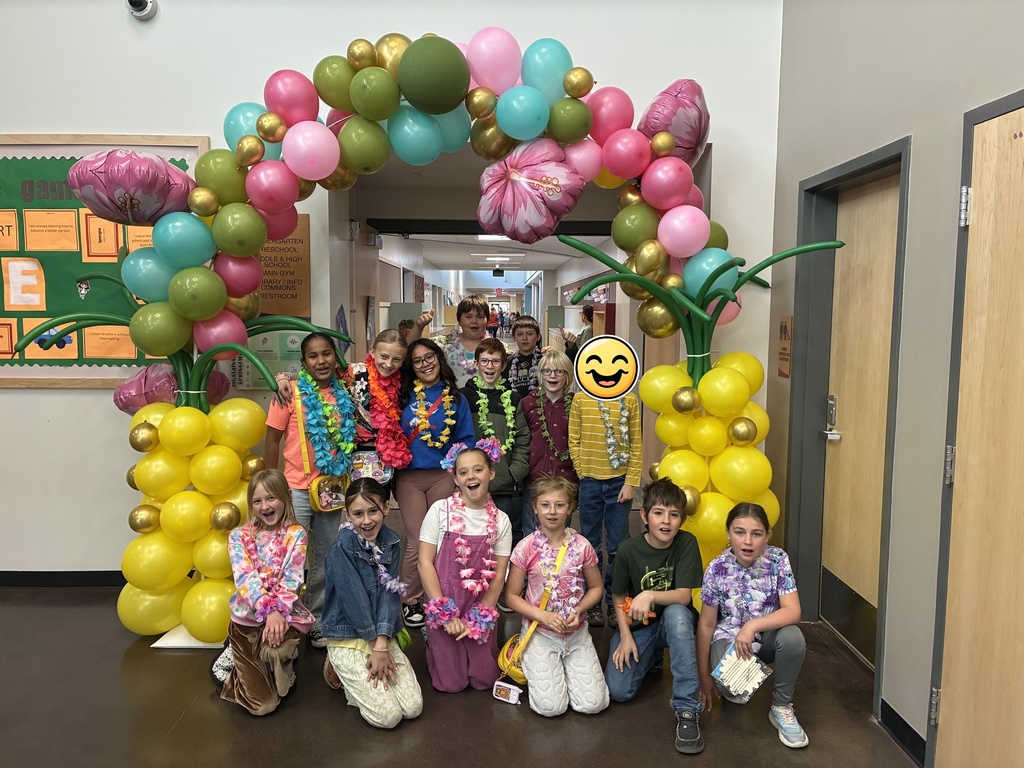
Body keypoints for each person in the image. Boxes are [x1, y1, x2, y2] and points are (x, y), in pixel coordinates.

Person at [265, 332, 356, 649]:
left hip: (332, 489)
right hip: (296, 488)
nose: (321, 361)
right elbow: (272, 441)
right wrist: (271, 484)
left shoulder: (344, 392)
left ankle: (317, 620)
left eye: (327, 354)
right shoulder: (288, 394)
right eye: (313, 356)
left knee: (325, 558)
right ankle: (282, 618)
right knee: (289, 557)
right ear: (303, 362)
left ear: (335, 357)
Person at [604, 478, 704, 754]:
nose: (666, 521)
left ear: (682, 520)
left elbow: (684, 595)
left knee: (676, 614)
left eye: (674, 515)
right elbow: (618, 596)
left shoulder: (686, 543)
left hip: (676, 622)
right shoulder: (627, 550)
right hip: (641, 627)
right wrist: (625, 637)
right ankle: (652, 658)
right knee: (618, 691)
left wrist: (648, 594)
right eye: (659, 513)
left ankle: (687, 709)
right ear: (645, 515)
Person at [696, 503, 808, 749]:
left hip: (767, 637)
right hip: (730, 639)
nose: (747, 541)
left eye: (756, 534)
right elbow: (706, 624)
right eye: (739, 532)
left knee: (793, 637)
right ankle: (746, 675)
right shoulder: (716, 568)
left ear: (767, 535)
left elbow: (793, 610)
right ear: (728, 533)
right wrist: (704, 675)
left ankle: (780, 706)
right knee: (733, 692)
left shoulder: (779, 559)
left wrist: (753, 626)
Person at [321, 478, 424, 729]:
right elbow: (353, 601)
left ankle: (365, 676)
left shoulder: (392, 542)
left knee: (413, 708)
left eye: (373, 511)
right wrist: (375, 648)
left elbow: (390, 594)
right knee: (388, 718)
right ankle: (337, 665)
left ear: (386, 509)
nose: (366, 521)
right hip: (348, 632)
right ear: (348, 514)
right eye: (358, 514)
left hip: (380, 636)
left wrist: (382, 644)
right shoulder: (342, 547)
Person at [504, 476, 609, 718]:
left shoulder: (582, 546)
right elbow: (511, 596)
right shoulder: (525, 548)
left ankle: (565, 671)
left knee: (593, 704)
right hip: (540, 632)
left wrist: (579, 609)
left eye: (560, 505)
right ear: (535, 508)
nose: (552, 512)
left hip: (576, 633)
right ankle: (535, 659)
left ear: (570, 507)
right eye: (545, 505)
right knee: (551, 708)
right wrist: (543, 616)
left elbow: (596, 589)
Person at [393, 338, 476, 630]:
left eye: (430, 357)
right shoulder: (401, 396)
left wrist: (459, 469)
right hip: (409, 478)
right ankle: (409, 598)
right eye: (418, 360)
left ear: (439, 359)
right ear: (411, 367)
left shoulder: (456, 398)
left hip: (443, 475)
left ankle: (436, 597)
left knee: (441, 539)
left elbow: (466, 439)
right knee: (417, 540)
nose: (425, 363)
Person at [418, 440, 511, 693]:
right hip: (444, 599)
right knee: (451, 684)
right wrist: (442, 612)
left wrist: (482, 614)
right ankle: (433, 642)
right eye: (463, 472)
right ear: (456, 479)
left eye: (478, 469)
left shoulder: (501, 520)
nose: (471, 476)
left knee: (485, 681)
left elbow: (500, 572)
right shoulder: (441, 510)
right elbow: (424, 562)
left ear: (491, 473)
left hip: (479, 604)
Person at [220, 468, 314, 716]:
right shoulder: (238, 537)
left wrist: (278, 613)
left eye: (271, 497)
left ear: (285, 497)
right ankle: (234, 662)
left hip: (283, 618)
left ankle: (280, 661)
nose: (265, 506)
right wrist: (267, 609)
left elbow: (293, 577)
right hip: (247, 624)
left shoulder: (297, 534)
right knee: (265, 705)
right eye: (257, 501)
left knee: (278, 651)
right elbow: (245, 578)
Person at [568, 384, 642, 628]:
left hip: (619, 483)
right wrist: (583, 473)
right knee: (589, 545)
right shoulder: (580, 399)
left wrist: (631, 482)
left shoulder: (629, 400)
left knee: (617, 546)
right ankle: (591, 603)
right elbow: (574, 439)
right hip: (589, 482)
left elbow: (636, 444)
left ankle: (614, 601)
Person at [461, 338, 530, 549]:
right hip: (470, 486)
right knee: (472, 541)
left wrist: (513, 474)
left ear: (504, 365)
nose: (490, 366)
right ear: (476, 364)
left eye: (496, 361)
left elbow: (522, 439)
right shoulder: (463, 397)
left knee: (505, 542)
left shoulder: (514, 398)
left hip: (504, 487)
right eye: (484, 361)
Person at [520, 350, 578, 533]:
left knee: (560, 533)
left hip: (565, 480)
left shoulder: (576, 405)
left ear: (567, 375)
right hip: (533, 480)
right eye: (547, 371)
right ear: (540, 374)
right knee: (531, 533)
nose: (552, 376)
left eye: (559, 371)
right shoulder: (528, 403)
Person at [345, 330, 411, 489]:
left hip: (385, 456)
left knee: (380, 507)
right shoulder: (354, 372)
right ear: (372, 352)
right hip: (356, 453)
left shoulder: (401, 380)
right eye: (384, 356)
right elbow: (317, 376)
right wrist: (284, 377)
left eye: (396, 360)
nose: (389, 364)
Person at [409, 295, 491, 387]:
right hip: (450, 399)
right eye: (468, 316)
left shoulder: (496, 348)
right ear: (459, 320)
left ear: (487, 320)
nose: (474, 321)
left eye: (480, 317)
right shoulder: (445, 343)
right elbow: (408, 350)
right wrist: (419, 327)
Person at [503, 315, 545, 398]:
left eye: (529, 334)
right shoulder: (507, 363)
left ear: (538, 337)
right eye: (520, 334)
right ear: (514, 337)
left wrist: (571, 347)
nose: (524, 338)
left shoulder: (544, 361)